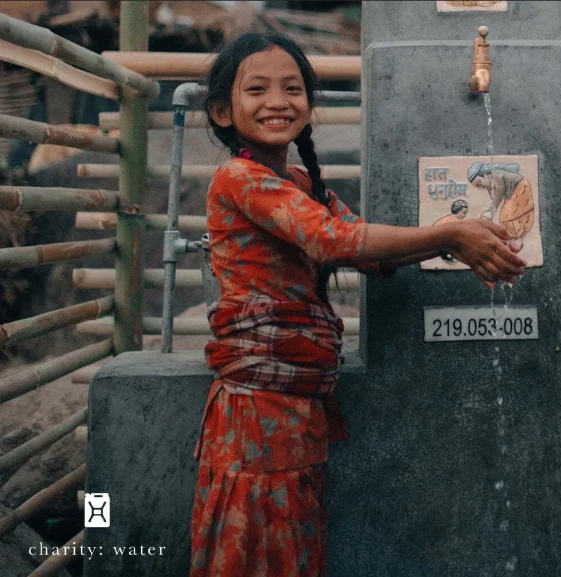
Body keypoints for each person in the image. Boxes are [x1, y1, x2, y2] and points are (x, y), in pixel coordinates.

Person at [190, 32, 526, 577]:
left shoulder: (298, 182)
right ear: (222, 111)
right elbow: (335, 241)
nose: (278, 101)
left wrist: (460, 234)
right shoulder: (239, 178)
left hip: (293, 408)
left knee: (290, 555)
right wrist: (449, 235)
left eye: (292, 89)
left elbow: (367, 252)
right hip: (256, 416)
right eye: (257, 89)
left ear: (309, 104)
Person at [468, 161, 535, 248]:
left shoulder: (496, 175)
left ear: (485, 175)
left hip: (521, 187)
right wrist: (490, 213)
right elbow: (495, 199)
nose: (480, 186)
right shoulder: (489, 183)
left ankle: (515, 240)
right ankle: (512, 238)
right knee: (506, 215)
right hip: (513, 192)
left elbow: (499, 194)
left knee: (508, 215)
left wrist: (490, 211)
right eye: (477, 186)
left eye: (479, 183)